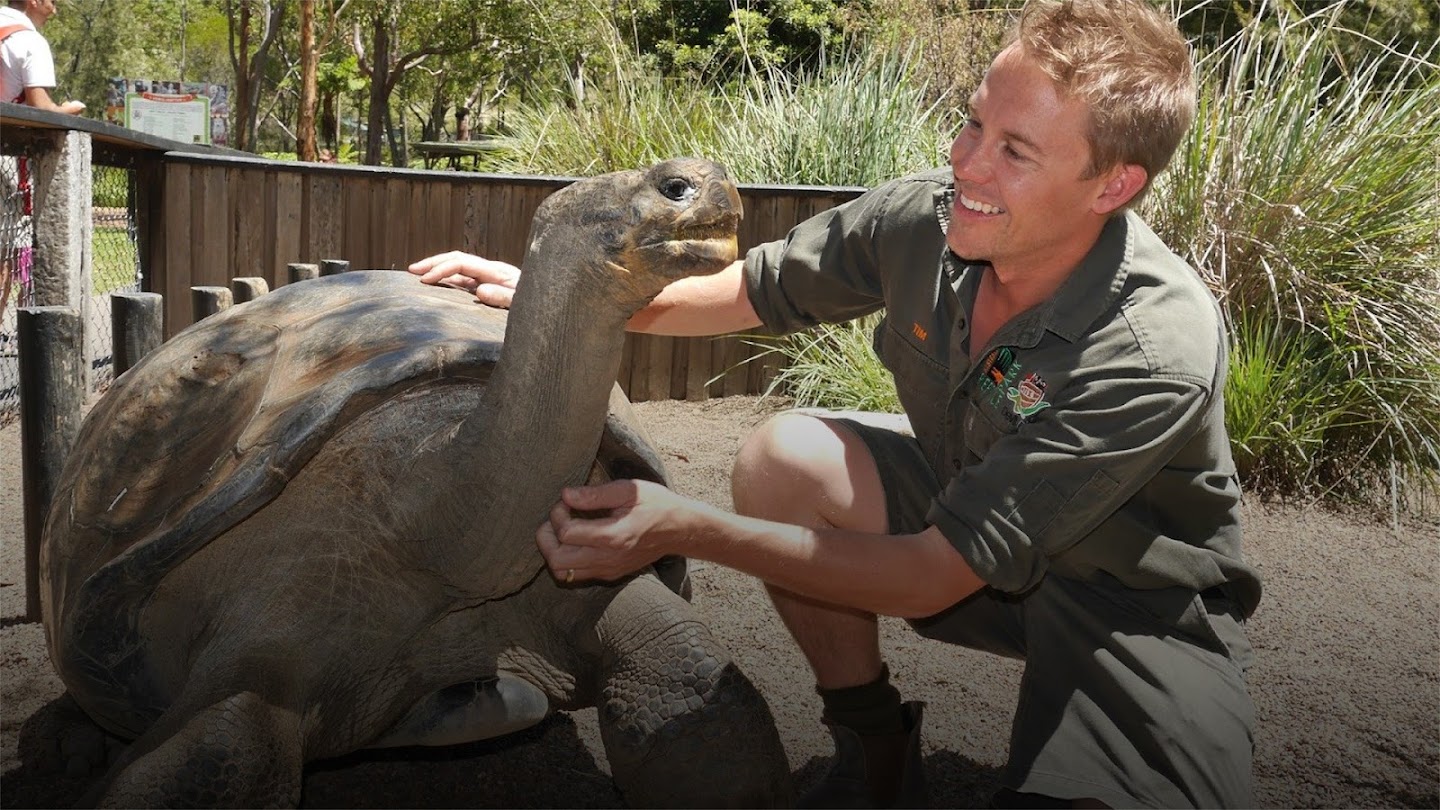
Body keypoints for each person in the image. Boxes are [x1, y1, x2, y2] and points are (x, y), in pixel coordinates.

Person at [409, 1, 1261, 806]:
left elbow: (930, 579)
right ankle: (874, 745)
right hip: (964, 524)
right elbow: (757, 288)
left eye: (1016, 151)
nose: (966, 162)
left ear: (1112, 186)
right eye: (973, 122)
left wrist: (683, 526)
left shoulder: (1151, 352)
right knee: (786, 462)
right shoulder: (929, 219)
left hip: (1130, 603)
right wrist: (568, 291)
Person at [0, 0, 84, 113]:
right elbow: (41, 110)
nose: (54, 11)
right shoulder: (33, 42)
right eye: (52, 2)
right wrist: (72, 109)